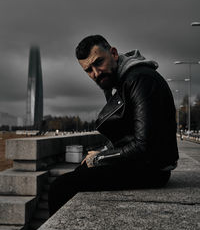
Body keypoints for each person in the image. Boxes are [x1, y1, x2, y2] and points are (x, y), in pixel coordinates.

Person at [48, 35, 179, 216]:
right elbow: (127, 133)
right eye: (88, 70)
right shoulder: (121, 82)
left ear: (114, 53)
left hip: (152, 170)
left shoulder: (140, 80)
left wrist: (101, 157)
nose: (96, 73)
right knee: (80, 171)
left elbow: (145, 146)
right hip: (143, 164)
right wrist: (102, 154)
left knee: (59, 188)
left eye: (98, 62)